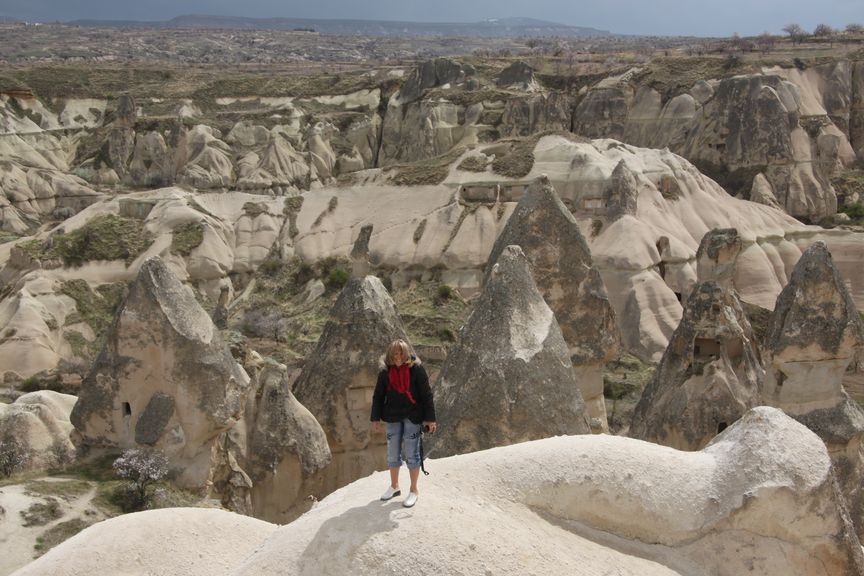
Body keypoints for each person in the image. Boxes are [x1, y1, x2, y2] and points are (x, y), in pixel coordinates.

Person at [370, 338, 436, 508]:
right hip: (392, 416)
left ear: (406, 354)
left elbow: (427, 395)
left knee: (412, 453)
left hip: (413, 416)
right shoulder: (385, 372)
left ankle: (413, 490)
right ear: (390, 355)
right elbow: (378, 396)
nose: (397, 357)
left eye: (400, 353)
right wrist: (375, 418)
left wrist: (430, 419)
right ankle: (394, 486)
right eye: (394, 354)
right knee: (392, 452)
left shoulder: (417, 370)